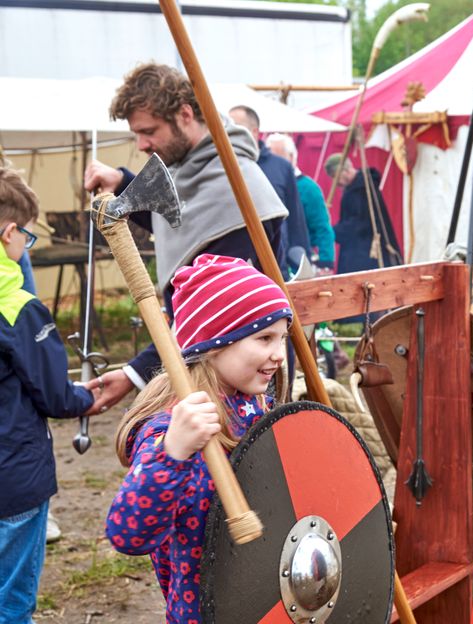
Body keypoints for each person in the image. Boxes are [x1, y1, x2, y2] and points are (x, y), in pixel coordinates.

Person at [82, 63, 288, 414]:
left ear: (185, 114)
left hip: (237, 382)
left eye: (149, 131)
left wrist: (135, 374)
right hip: (210, 371)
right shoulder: (194, 168)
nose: (141, 144)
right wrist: (121, 181)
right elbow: (181, 220)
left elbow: (216, 314)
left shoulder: (235, 186)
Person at [106, 254, 291, 623]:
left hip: (271, 599)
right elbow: (129, 535)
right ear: (216, 342)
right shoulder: (170, 430)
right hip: (206, 612)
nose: (279, 354)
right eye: (265, 337)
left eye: (283, 338)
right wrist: (173, 452)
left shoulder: (257, 406)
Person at [0, 167, 97, 623]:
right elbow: (56, 396)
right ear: (9, 233)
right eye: (28, 239)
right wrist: (85, 396)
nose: (27, 249)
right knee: (12, 602)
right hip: (13, 481)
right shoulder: (18, 306)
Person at [228, 106, 312, 273]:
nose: (228, 133)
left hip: (276, 266)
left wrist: (303, 262)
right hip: (237, 268)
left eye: (235, 127)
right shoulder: (223, 167)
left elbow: (295, 219)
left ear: (254, 132)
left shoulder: (281, 167)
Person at [267, 132, 335, 271]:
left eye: (278, 157)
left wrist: (325, 263)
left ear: (291, 158)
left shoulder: (308, 188)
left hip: (299, 259)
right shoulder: (266, 185)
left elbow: (322, 226)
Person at [324, 153, 402, 275]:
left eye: (335, 177)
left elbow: (358, 224)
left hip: (366, 255)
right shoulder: (356, 188)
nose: (335, 182)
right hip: (362, 252)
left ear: (344, 171)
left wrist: (332, 232)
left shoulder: (361, 189)